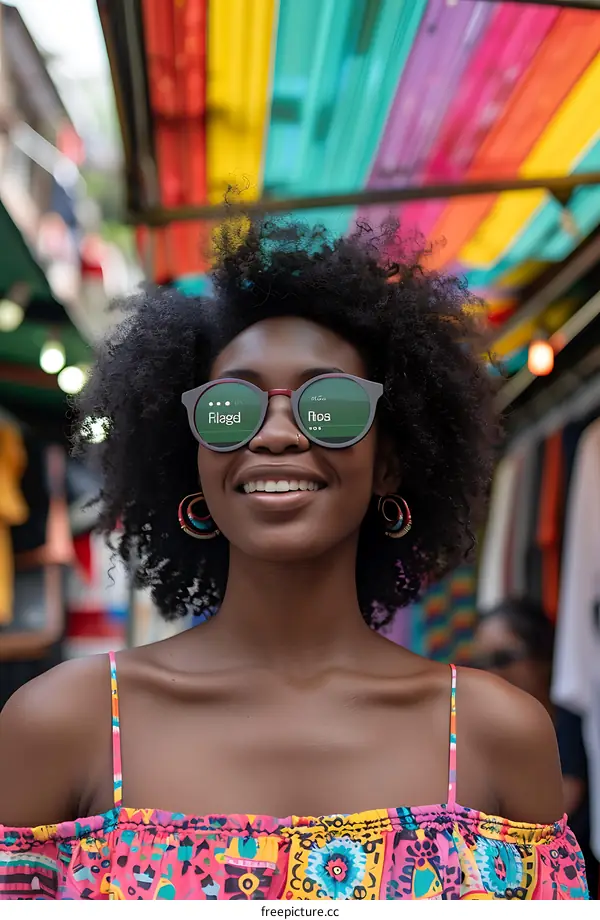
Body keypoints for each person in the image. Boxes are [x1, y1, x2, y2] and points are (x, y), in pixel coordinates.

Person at [0, 219, 589, 900]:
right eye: (230, 410)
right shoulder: (60, 726)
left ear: (390, 464)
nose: (277, 433)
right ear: (191, 456)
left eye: (330, 405)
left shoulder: (498, 734)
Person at [472, 599, 598, 896]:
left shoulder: (570, 719)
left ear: (543, 657)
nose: (492, 673)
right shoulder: (487, 729)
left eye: (503, 658)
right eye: (480, 664)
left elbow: (557, 807)